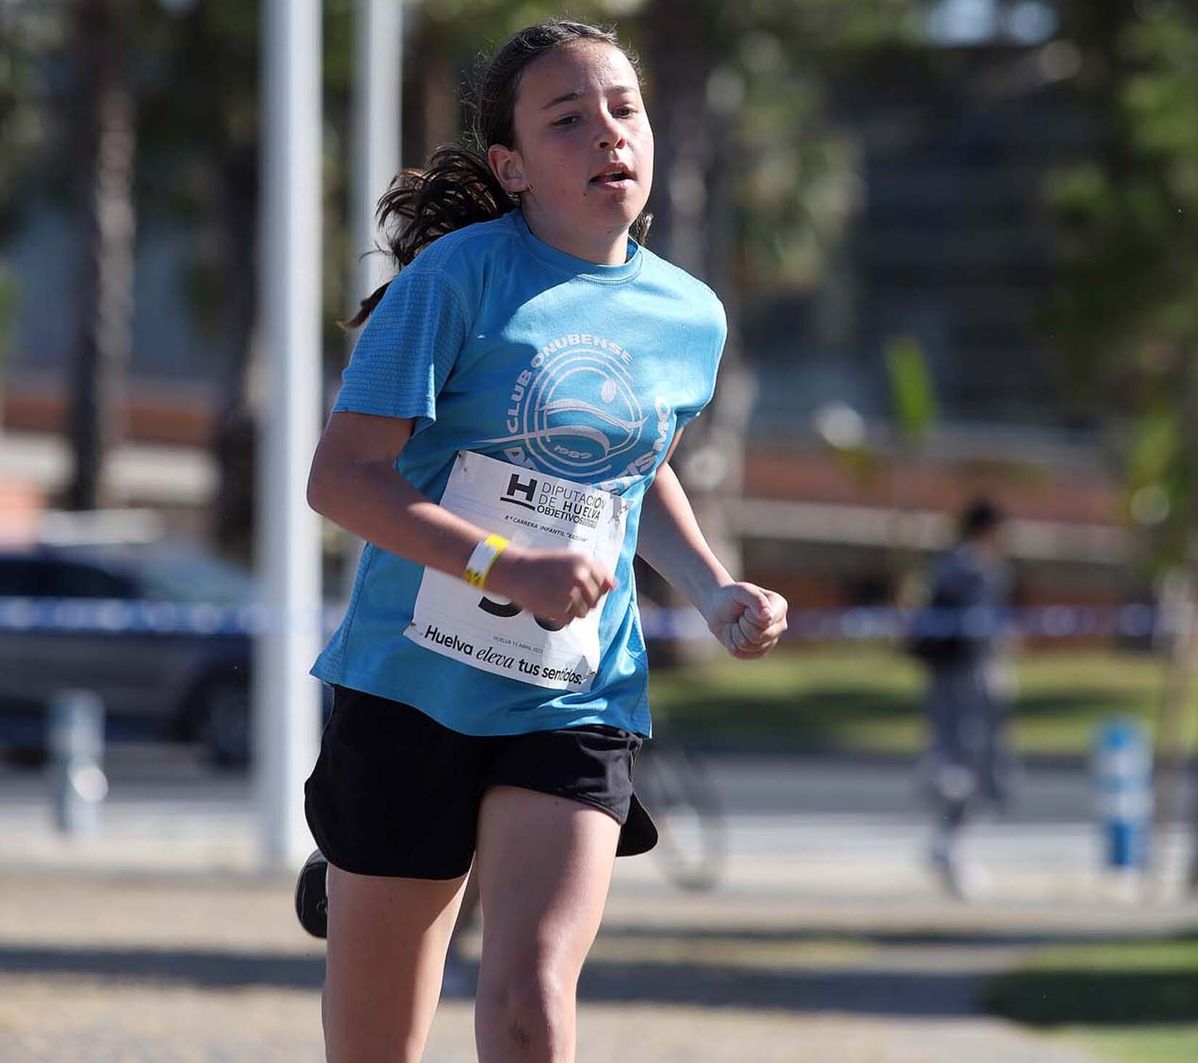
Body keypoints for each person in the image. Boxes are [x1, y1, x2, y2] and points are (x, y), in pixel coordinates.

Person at [291, 21, 788, 1063]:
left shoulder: (688, 315)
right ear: (511, 167)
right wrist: (502, 566)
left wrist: (710, 587)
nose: (608, 133)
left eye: (623, 108)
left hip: (574, 691)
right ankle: (352, 871)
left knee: (528, 1003)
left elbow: (634, 465)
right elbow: (340, 479)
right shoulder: (454, 282)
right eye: (568, 118)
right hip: (409, 687)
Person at [910, 498, 1014, 898]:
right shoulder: (974, 571)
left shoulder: (951, 568)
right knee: (966, 763)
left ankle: (948, 846)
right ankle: (946, 847)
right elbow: (974, 630)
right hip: (967, 679)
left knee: (969, 761)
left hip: (956, 678)